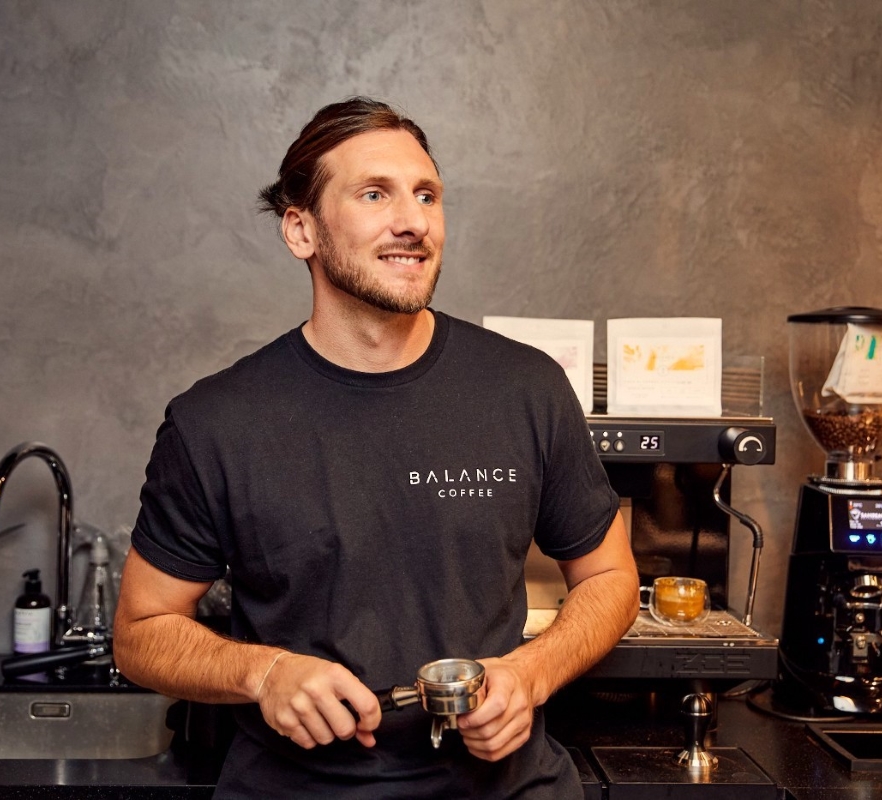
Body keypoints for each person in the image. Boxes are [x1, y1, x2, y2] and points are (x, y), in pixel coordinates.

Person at [113, 96, 640, 799]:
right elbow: (141, 633)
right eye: (374, 194)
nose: (413, 221)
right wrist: (264, 673)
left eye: (428, 195)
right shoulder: (217, 422)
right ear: (300, 229)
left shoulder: (525, 386)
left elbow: (611, 579)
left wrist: (529, 673)